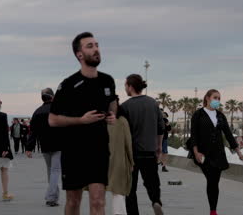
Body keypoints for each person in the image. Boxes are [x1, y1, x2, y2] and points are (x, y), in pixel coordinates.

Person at [49, 32, 117, 215]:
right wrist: (81, 120)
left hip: (99, 149)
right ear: (79, 55)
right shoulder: (68, 85)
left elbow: (112, 101)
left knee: (98, 201)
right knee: (73, 201)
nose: (96, 49)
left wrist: (113, 114)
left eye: (96, 45)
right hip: (74, 151)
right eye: (90, 46)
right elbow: (52, 119)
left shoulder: (107, 80)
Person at [188, 89, 243, 215]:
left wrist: (238, 152)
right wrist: (196, 152)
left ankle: (213, 210)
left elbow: (229, 135)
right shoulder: (198, 114)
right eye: (215, 97)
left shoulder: (220, 115)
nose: (217, 101)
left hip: (218, 154)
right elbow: (194, 135)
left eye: (219, 98)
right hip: (203, 154)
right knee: (211, 180)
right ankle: (213, 210)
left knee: (214, 182)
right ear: (207, 98)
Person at [121, 74, 164, 215]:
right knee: (152, 183)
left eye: (126, 85)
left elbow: (122, 133)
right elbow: (160, 128)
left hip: (131, 155)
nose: (125, 87)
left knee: (130, 189)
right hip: (149, 152)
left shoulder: (125, 107)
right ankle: (156, 201)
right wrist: (158, 147)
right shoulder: (153, 103)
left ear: (131, 87)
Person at [26, 88, 62, 207]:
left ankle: (54, 197)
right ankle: (51, 197)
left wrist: (29, 148)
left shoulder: (37, 112)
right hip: (58, 144)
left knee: (50, 171)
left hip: (45, 145)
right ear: (52, 96)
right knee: (55, 171)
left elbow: (33, 132)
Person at [106, 98, 134, 215]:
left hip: (102, 161)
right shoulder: (122, 121)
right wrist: (131, 162)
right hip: (118, 161)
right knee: (118, 191)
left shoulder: (98, 120)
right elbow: (128, 143)